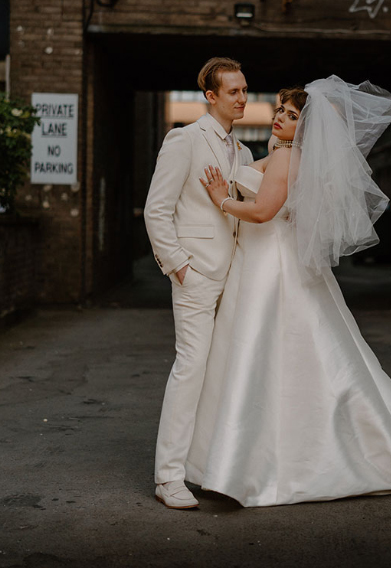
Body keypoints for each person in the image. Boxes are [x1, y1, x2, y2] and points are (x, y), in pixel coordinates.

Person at [185, 77, 391, 507]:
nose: (281, 118)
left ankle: (247, 465)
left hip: (271, 265)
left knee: (261, 354)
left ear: (305, 127)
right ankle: (253, 459)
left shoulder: (286, 158)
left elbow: (263, 211)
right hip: (267, 260)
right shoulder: (288, 154)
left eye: (292, 116)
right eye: (281, 110)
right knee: (285, 355)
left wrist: (220, 199)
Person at [143, 57, 253, 509]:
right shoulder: (184, 140)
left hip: (235, 276)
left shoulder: (244, 152)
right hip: (196, 274)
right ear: (211, 96)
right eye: (234, 91)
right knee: (190, 369)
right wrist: (178, 266)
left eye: (245, 90)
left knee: (222, 371)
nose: (243, 98)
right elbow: (157, 209)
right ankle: (168, 477)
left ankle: (205, 466)